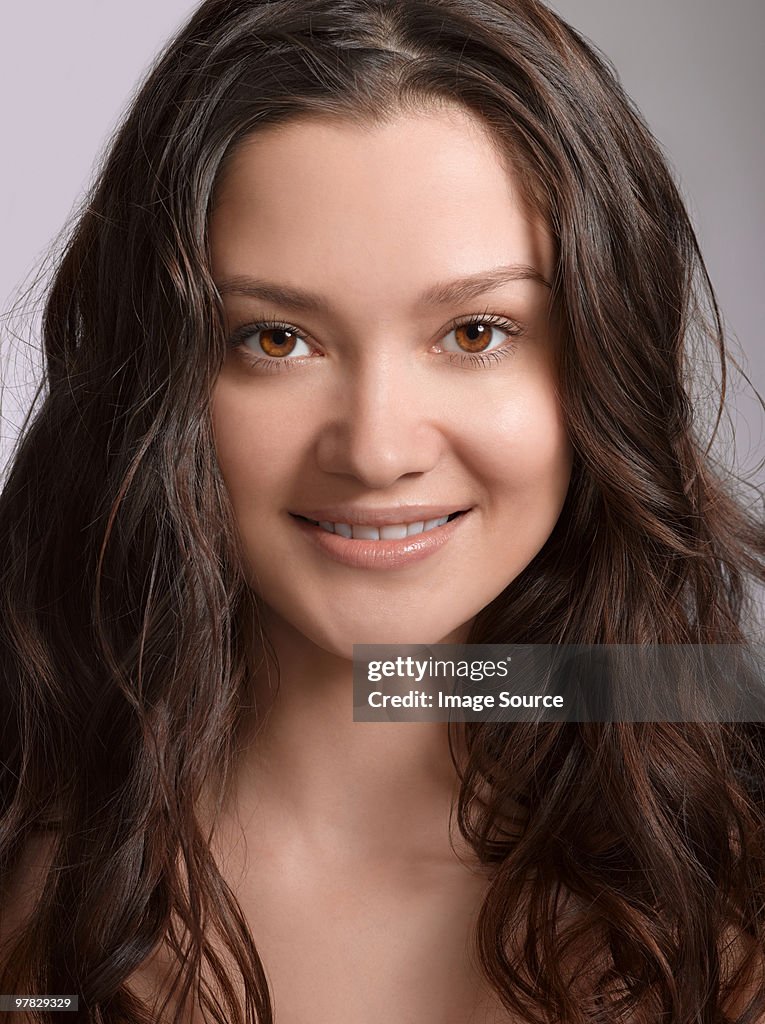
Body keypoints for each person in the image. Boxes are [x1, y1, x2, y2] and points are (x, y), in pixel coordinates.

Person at [1, 1, 764, 1021]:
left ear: (604, 354)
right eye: (277, 339)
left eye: (476, 331)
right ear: (159, 378)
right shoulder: (21, 850)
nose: (376, 448)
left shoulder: (733, 852)